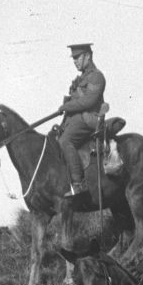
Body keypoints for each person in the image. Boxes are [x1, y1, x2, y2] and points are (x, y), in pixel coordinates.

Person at [56, 43, 107, 200]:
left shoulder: (96, 76)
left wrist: (66, 106)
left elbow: (89, 102)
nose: (75, 61)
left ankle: (79, 184)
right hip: (77, 119)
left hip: (89, 119)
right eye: (74, 58)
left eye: (77, 57)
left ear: (88, 56)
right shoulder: (81, 79)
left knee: (66, 140)